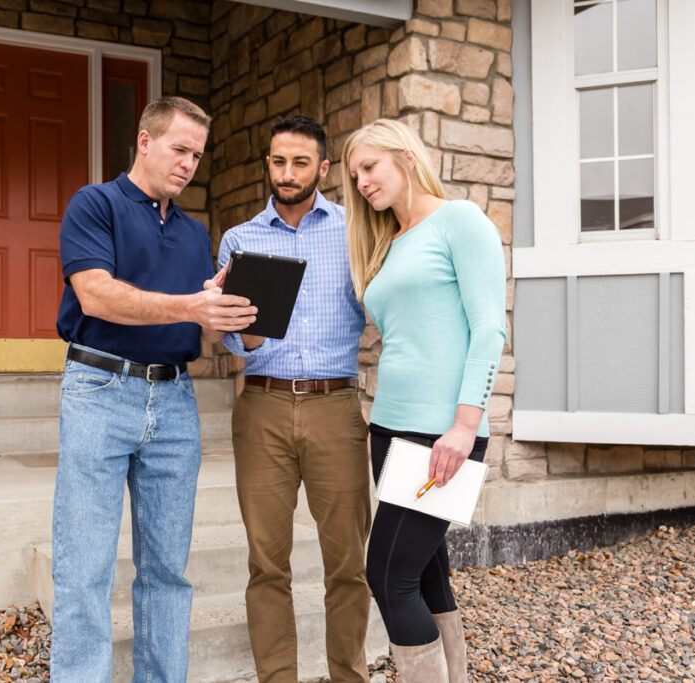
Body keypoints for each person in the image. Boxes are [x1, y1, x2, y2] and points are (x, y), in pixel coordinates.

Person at [51, 96, 257, 682]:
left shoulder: (196, 235)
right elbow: (96, 294)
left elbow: (200, 323)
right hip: (99, 389)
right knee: (84, 567)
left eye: (198, 154)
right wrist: (191, 305)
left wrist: (232, 316)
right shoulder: (95, 204)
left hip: (174, 401)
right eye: (179, 149)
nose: (190, 163)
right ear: (145, 141)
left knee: (168, 569)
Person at [342, 119, 506, 683]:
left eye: (371, 166)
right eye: (354, 173)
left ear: (406, 157)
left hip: (441, 433)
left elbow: (488, 330)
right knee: (425, 573)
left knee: (387, 577)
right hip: (388, 427)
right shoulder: (389, 242)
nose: (362, 181)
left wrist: (464, 427)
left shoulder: (460, 221)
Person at [215, 115, 372, 682]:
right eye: (278, 161)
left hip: (335, 408)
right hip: (263, 406)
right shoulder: (240, 239)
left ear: (323, 169)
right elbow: (235, 340)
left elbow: (381, 307)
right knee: (266, 564)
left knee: (349, 565)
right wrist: (247, 324)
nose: (287, 173)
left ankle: (348, 676)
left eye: (300, 162)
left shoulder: (356, 229)